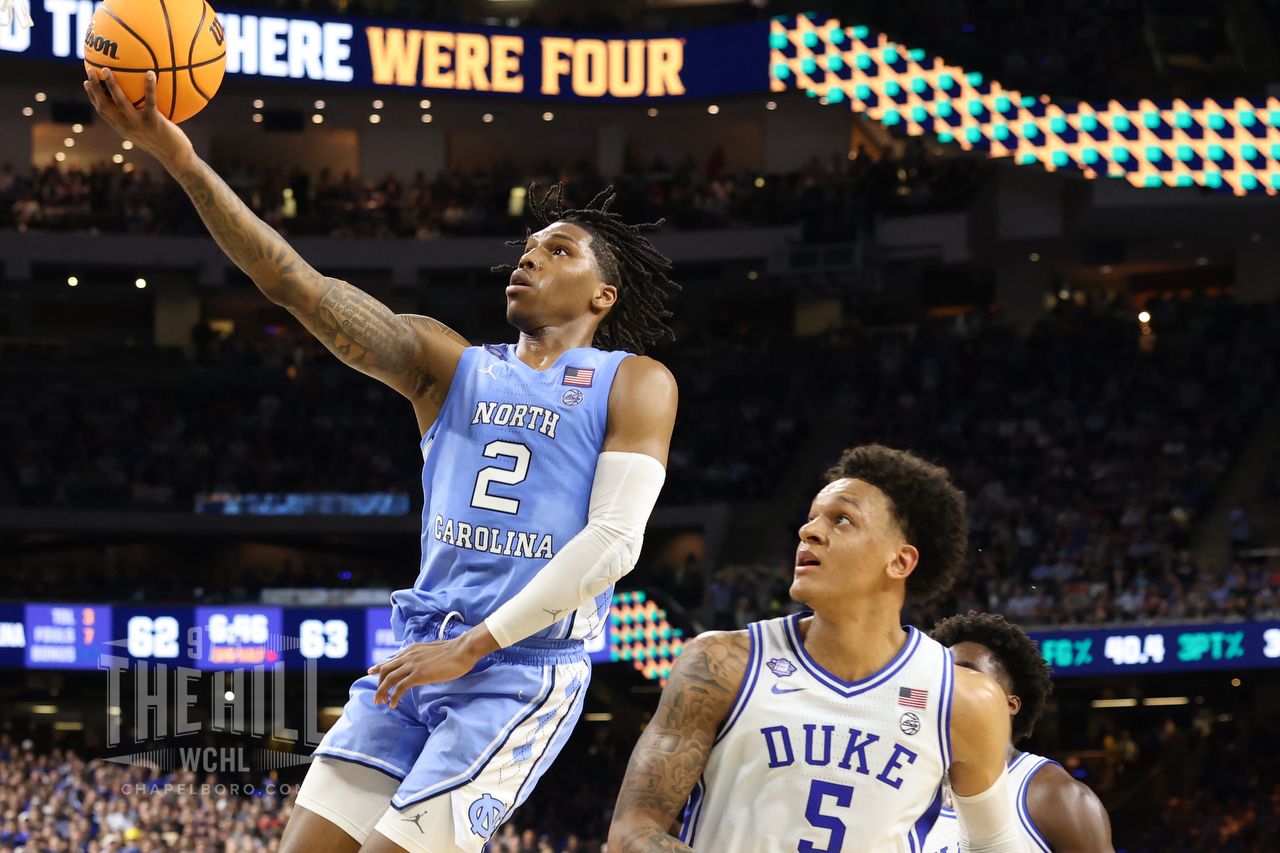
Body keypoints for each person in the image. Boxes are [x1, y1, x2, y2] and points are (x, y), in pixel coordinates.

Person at [84, 69, 679, 853]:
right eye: (526, 249)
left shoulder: (633, 380)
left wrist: (471, 647)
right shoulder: (446, 362)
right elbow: (292, 283)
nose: (528, 259)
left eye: (557, 250)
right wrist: (183, 161)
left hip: (517, 669)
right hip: (413, 653)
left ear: (603, 295)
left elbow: (614, 544)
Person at [609, 445, 1024, 853]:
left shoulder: (964, 698)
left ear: (900, 561)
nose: (808, 531)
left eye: (842, 520)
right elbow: (632, 829)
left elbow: (994, 846)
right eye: (810, 519)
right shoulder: (721, 663)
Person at [925, 612, 1114, 853]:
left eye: (966, 674)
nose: (949, 685)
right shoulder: (914, 792)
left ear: (1010, 703)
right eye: (943, 675)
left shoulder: (1055, 795)